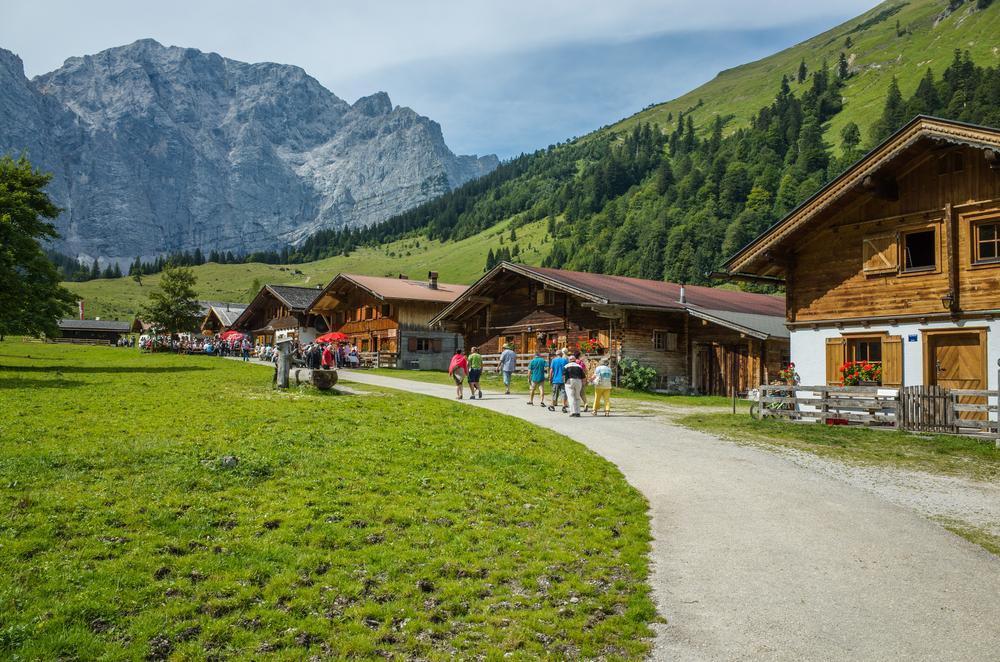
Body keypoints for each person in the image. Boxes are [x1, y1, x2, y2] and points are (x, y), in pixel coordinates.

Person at [564, 350, 587, 417]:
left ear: (569, 360)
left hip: (569, 381)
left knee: (571, 397)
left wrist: (564, 383)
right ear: (574, 360)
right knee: (577, 397)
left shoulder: (566, 366)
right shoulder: (579, 366)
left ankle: (572, 412)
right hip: (578, 381)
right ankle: (578, 412)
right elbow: (583, 376)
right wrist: (584, 383)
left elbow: (564, 376)